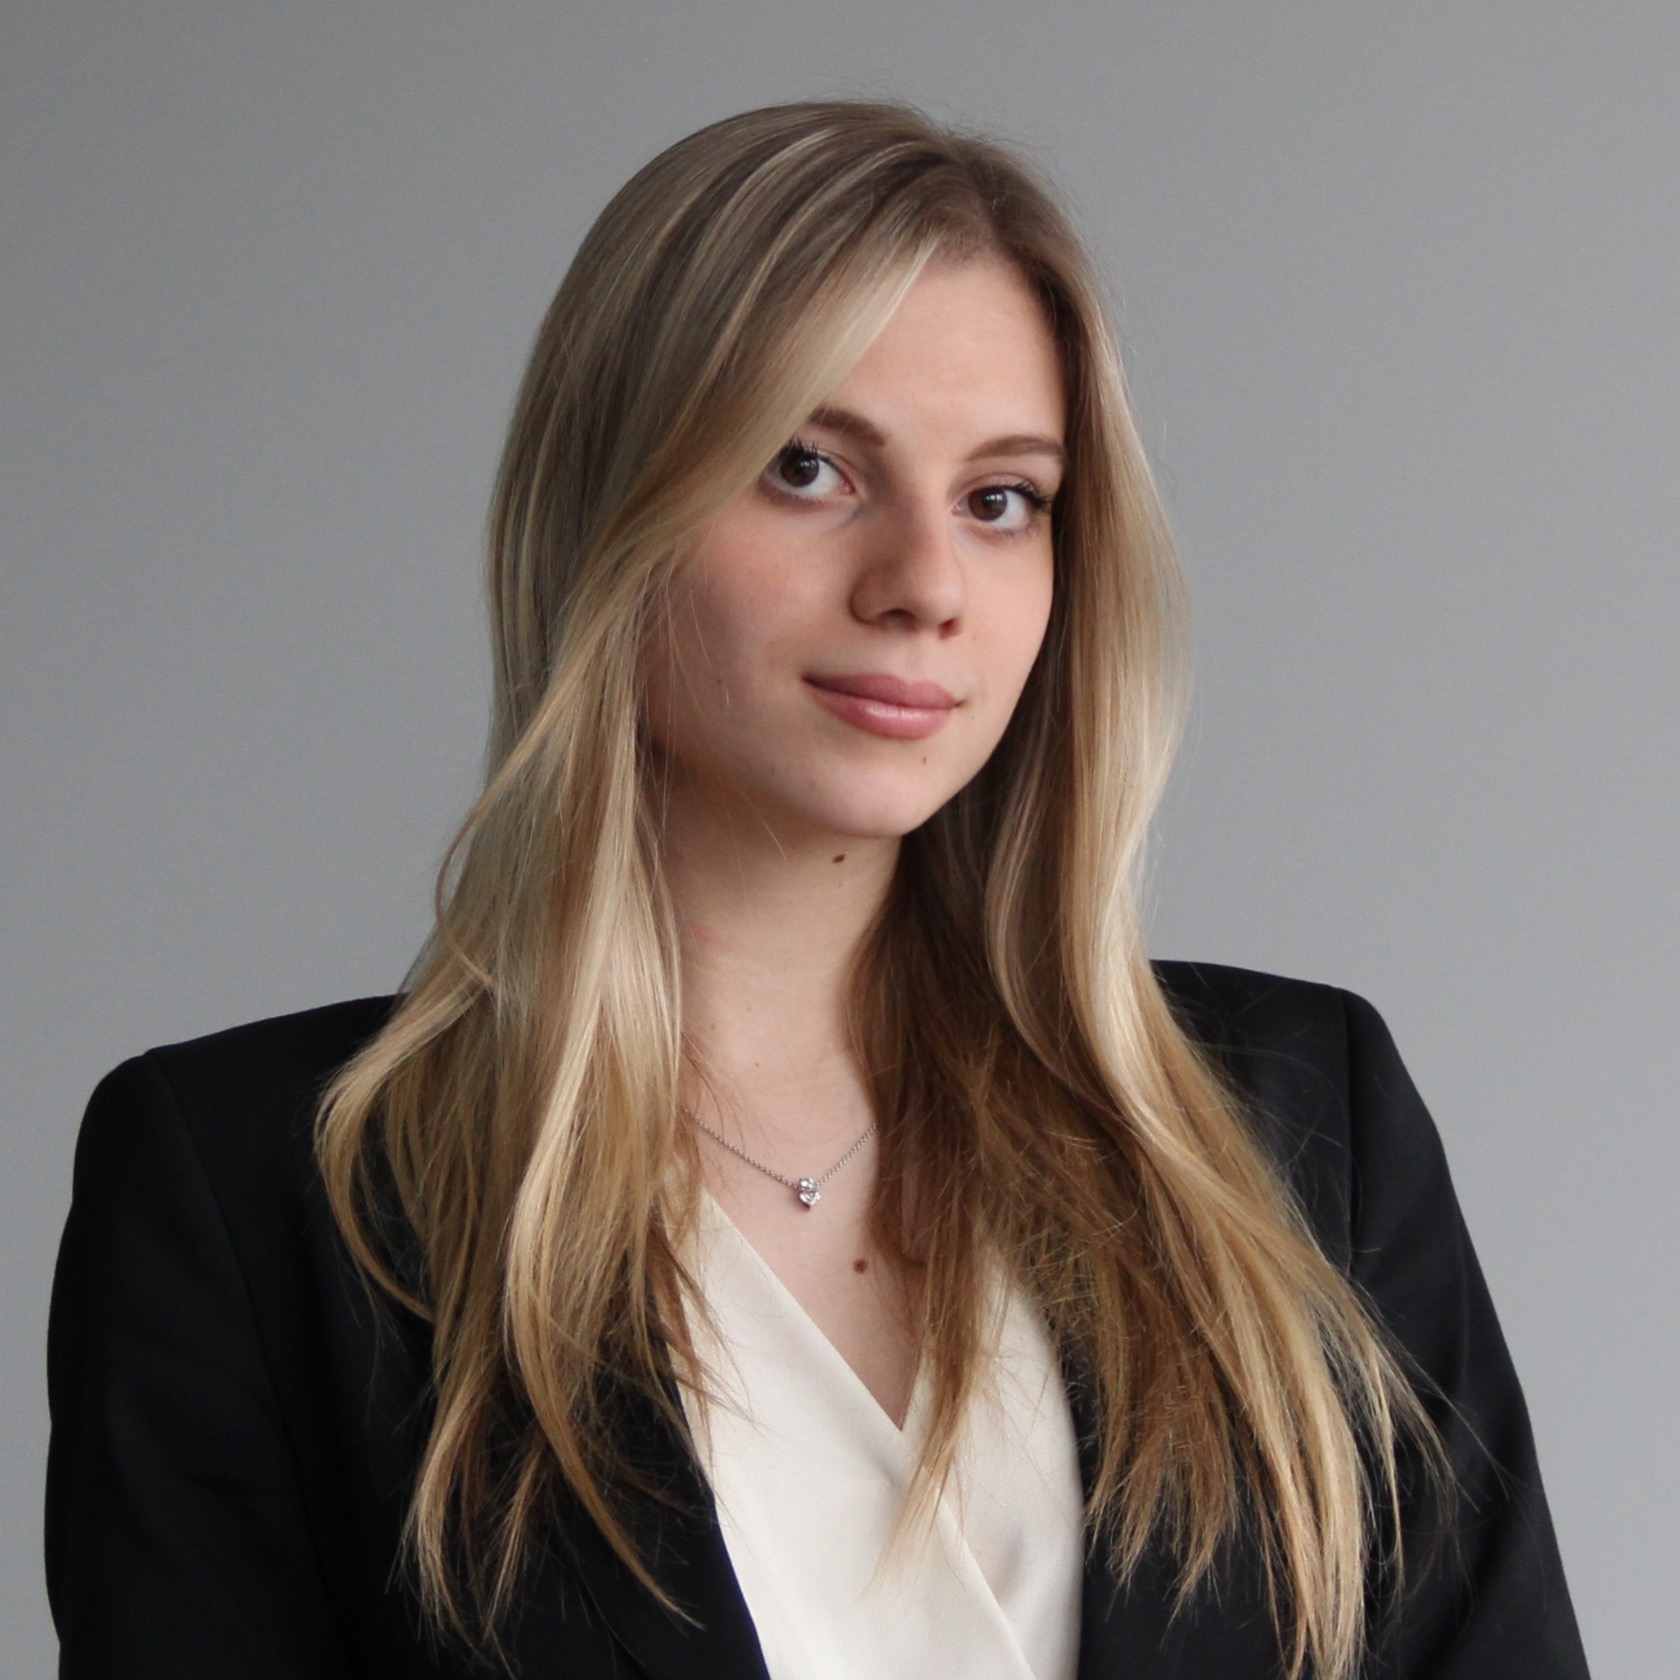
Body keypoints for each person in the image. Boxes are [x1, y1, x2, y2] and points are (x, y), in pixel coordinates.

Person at [44, 101, 1590, 1680]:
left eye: (1003, 499)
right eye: (809, 468)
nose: (925, 584)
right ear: (610, 511)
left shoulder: (1296, 1136)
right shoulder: (263, 1199)